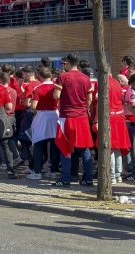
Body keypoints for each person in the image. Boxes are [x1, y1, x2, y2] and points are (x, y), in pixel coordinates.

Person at [53, 53, 94, 187]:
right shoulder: (85, 78)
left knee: (65, 148)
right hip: (82, 117)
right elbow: (90, 99)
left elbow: (56, 95)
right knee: (84, 148)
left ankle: (65, 179)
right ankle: (88, 178)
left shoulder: (63, 77)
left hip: (67, 117)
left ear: (68, 63)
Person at [29, 66, 60, 180]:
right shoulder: (56, 87)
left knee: (38, 143)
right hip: (55, 115)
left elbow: (33, 106)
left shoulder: (38, 88)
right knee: (55, 144)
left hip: (42, 116)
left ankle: (37, 171)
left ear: (39, 76)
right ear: (51, 76)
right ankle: (53, 171)